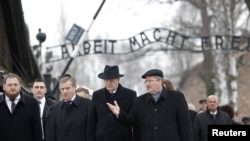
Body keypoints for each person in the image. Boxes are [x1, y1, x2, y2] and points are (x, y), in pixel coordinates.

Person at [107, 69, 193, 141]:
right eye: (146, 81)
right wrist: (119, 113)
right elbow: (130, 121)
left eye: (150, 81)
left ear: (159, 82)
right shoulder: (139, 101)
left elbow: (185, 126)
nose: (147, 84)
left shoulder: (176, 98)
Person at [92, 65, 137, 141]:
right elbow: (92, 122)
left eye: (111, 80)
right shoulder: (97, 95)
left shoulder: (130, 95)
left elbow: (133, 120)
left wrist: (120, 114)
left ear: (118, 79)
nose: (108, 83)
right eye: (106, 80)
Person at [46, 74, 94, 141]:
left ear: (75, 87)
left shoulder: (88, 105)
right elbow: (52, 135)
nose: (65, 91)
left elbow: (91, 132)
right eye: (62, 89)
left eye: (67, 88)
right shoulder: (55, 109)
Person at [0, 73, 43, 141]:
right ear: (4, 87)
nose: (13, 87)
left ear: (20, 86)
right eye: (9, 85)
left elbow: (37, 132)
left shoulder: (32, 103)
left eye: (15, 84)